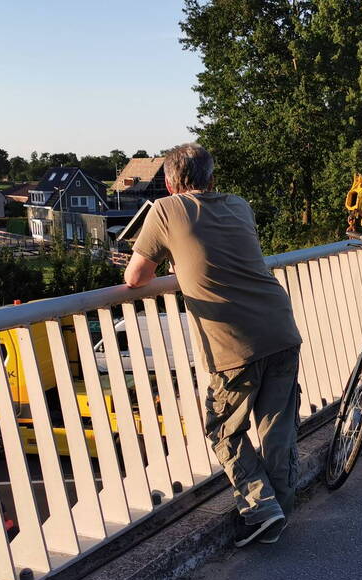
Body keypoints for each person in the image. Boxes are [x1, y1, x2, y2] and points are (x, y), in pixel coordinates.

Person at [124, 143, 302, 548]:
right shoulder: (239, 205)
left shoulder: (164, 211)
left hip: (232, 340)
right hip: (279, 324)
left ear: (169, 183)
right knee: (278, 429)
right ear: (213, 179)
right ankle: (280, 509)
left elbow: (136, 277)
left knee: (222, 427)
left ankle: (261, 508)